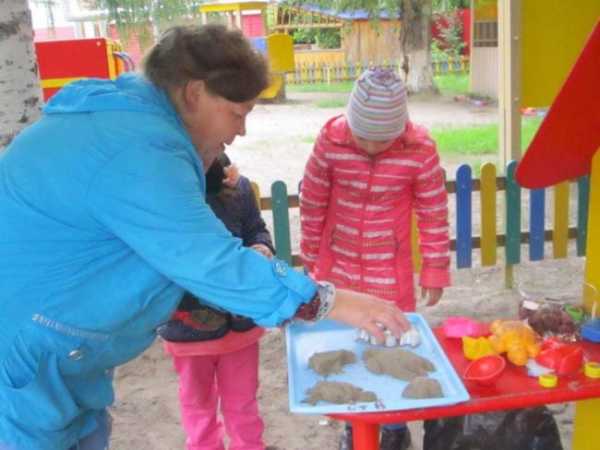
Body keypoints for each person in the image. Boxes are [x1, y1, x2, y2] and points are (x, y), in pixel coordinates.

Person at [0, 25, 409, 450]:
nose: (242, 131)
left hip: (61, 349)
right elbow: (212, 261)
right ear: (194, 93)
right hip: (27, 353)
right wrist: (329, 301)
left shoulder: (130, 120)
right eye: (238, 113)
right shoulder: (138, 150)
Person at [299, 68, 451, 450]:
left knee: (391, 340)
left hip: (390, 267)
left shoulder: (420, 150)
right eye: (363, 137)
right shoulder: (331, 141)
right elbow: (313, 199)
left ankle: (396, 429)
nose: (370, 146)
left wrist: (434, 268)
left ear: (399, 129)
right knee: (348, 342)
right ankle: (356, 425)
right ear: (350, 123)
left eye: (382, 140)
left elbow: (433, 210)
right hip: (341, 266)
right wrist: (312, 254)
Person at [158, 154, 275, 450]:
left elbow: (255, 228)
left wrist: (261, 246)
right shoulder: (162, 197)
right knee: (197, 405)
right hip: (186, 331)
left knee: (242, 403)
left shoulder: (238, 189)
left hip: (241, 329)